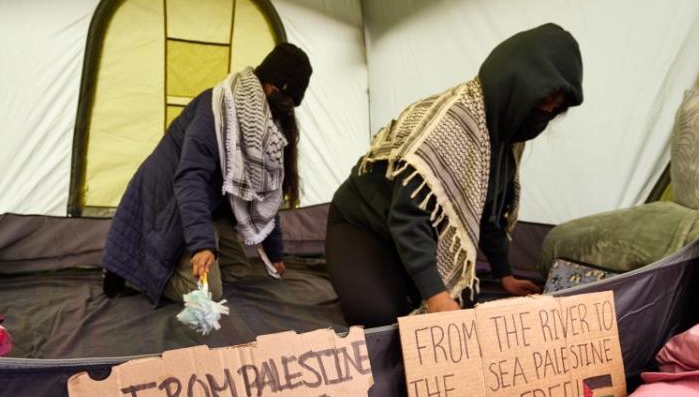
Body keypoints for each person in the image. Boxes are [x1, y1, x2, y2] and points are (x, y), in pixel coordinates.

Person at [325, 24, 583, 327]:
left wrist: (505, 275)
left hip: (415, 235)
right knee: (380, 315)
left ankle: (399, 275)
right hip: (364, 226)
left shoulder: (505, 134)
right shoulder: (450, 126)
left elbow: (488, 212)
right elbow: (408, 217)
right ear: (516, 84)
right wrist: (435, 295)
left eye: (555, 109)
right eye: (542, 101)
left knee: (458, 304)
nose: (545, 115)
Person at [102, 43, 312, 304]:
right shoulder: (219, 108)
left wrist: (274, 252)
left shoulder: (265, 124)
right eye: (288, 100)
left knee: (238, 271)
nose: (288, 109)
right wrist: (202, 243)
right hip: (169, 204)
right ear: (273, 85)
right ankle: (140, 272)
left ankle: (202, 246)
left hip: (208, 208)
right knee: (210, 293)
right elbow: (190, 177)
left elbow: (267, 191)